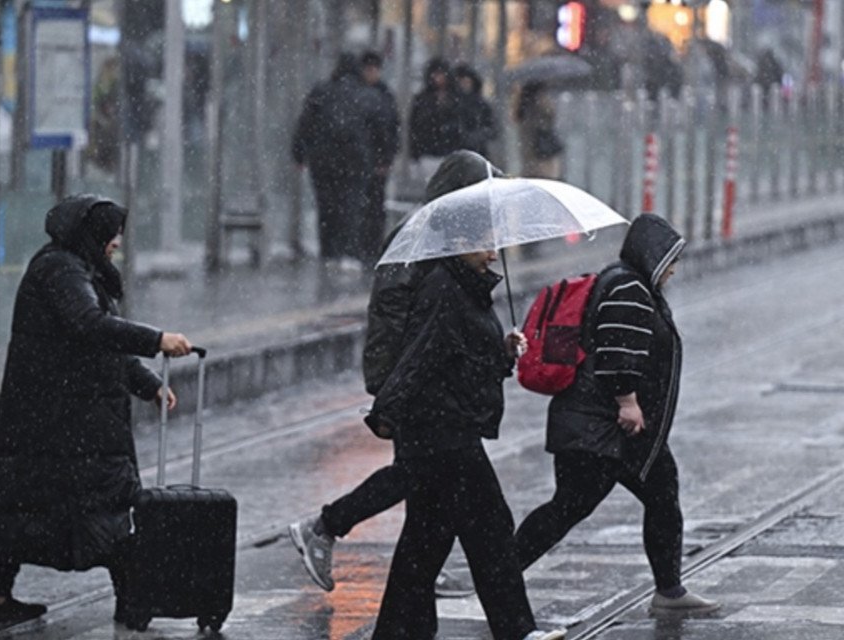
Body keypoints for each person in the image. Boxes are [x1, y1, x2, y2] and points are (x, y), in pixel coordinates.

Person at [0, 195, 195, 629]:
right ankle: (135, 601)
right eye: (112, 234)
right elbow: (90, 328)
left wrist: (147, 383)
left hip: (49, 418)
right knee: (101, 508)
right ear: (91, 234)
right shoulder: (61, 270)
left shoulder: (74, 268)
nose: (116, 243)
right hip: (65, 421)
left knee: (22, 508)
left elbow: (95, 343)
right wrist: (156, 339)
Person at [288, 151, 503, 599]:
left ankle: (408, 571)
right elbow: (398, 317)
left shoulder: (442, 237)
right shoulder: (423, 240)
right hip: (417, 385)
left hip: (423, 383)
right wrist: (391, 388)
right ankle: (325, 526)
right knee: (418, 476)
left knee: (422, 483)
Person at [365, 184, 562, 640]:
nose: (494, 254)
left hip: (441, 429)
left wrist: (503, 349)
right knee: (490, 528)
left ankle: (394, 633)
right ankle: (516, 630)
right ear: (459, 244)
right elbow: (422, 354)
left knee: (425, 541)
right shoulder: (444, 289)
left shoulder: (467, 287)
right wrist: (386, 411)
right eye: (487, 244)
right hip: (441, 431)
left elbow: (462, 356)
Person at [512, 213, 720, 618]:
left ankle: (669, 590)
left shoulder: (626, 282)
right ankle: (500, 574)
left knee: (639, 496)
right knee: (579, 505)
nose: (674, 269)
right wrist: (627, 401)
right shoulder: (629, 288)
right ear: (653, 255)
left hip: (603, 426)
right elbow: (616, 352)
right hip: (605, 426)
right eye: (671, 259)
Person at [291, 53, 384, 271]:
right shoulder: (367, 95)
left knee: (327, 207)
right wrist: (381, 157)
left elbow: (305, 124)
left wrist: (299, 154)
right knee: (351, 206)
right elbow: (380, 129)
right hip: (356, 160)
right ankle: (349, 253)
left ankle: (329, 252)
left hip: (322, 160)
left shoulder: (321, 92)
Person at [359, 50, 401, 265]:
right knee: (366, 204)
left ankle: (372, 246)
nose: (371, 73)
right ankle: (366, 247)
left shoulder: (382, 95)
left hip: (374, 161)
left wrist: (385, 158)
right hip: (363, 160)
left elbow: (392, 129)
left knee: (375, 204)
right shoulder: (378, 95)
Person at [408, 58, 464, 181]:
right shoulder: (422, 99)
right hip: (428, 151)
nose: (438, 78)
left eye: (441, 74)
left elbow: (463, 123)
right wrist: (414, 155)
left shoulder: (457, 98)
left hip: (451, 151)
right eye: (435, 74)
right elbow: (414, 128)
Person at [514, 80, 564, 181]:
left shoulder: (523, 105)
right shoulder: (540, 103)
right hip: (541, 148)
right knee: (547, 178)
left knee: (534, 176)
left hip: (531, 150)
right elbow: (550, 116)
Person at [452, 63, 498, 158]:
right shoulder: (451, 103)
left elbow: (493, 128)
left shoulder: (481, 104)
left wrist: (476, 137)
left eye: (467, 82)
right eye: (461, 82)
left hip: (478, 152)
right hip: (453, 152)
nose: (464, 85)